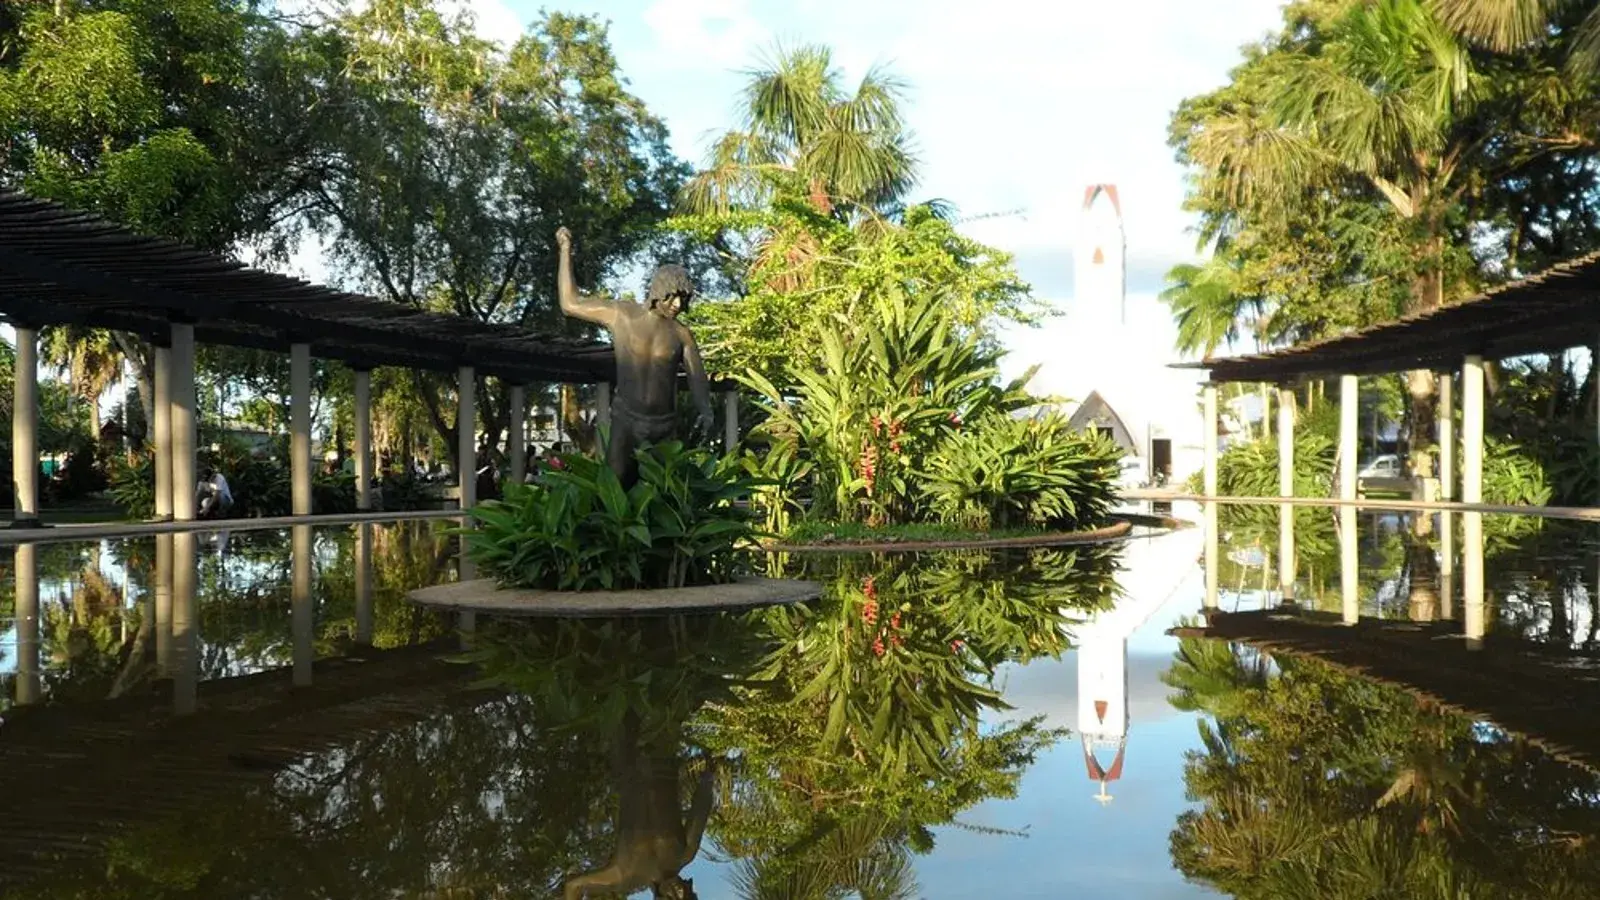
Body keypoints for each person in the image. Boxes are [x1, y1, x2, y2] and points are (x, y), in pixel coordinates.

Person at [556, 226, 715, 487]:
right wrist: (565, 250)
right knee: (615, 489)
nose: (678, 305)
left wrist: (706, 411)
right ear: (659, 291)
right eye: (673, 297)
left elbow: (697, 377)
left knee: (663, 492)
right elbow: (569, 303)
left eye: (683, 299)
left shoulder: (682, 334)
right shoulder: (622, 315)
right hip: (626, 420)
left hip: (664, 427)